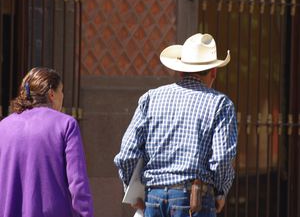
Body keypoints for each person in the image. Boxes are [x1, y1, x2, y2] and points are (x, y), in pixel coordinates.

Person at [114, 33, 237, 217]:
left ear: (180, 71)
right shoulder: (221, 104)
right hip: (194, 200)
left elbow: (127, 153)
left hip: (152, 198)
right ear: (214, 72)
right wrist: (220, 192)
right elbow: (221, 160)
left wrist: (133, 192)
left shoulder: (151, 98)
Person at [0, 67, 94, 217]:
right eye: (61, 91)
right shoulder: (66, 124)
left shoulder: (3, 126)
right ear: (52, 94)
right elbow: (78, 184)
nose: (63, 96)